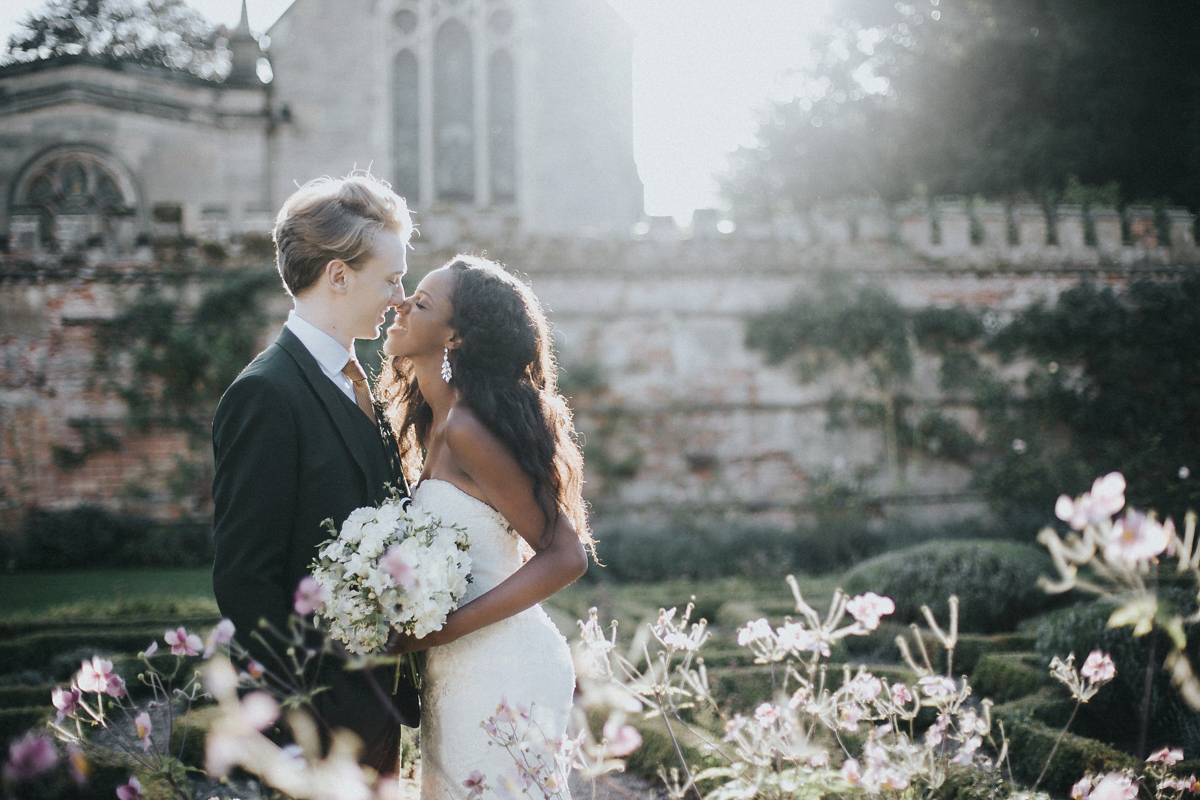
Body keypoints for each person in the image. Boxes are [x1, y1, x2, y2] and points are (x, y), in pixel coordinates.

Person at [210, 171, 417, 774]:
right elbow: (245, 579)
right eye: (392, 277)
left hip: (379, 711)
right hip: (320, 726)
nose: (401, 296)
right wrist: (316, 708)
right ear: (339, 275)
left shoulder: (361, 382)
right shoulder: (265, 395)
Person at [379, 255, 592, 798]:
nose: (400, 304)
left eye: (421, 303)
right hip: (454, 669)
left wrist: (443, 629)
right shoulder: (432, 425)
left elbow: (566, 555)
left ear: (455, 338)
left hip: (503, 666)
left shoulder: (469, 429)